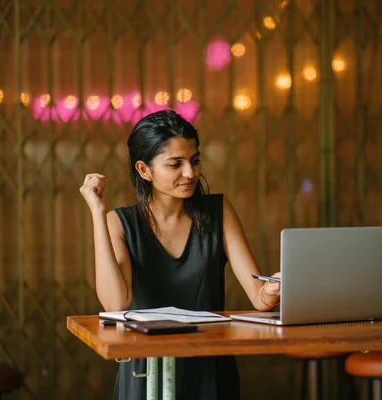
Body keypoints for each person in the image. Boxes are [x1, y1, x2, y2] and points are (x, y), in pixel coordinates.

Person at [79, 109, 281, 400]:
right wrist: (98, 214)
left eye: (195, 160)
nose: (191, 173)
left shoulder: (218, 212)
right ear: (143, 170)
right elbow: (115, 303)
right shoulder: (120, 223)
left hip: (210, 370)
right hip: (144, 373)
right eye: (175, 164)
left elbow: (259, 296)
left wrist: (273, 287)